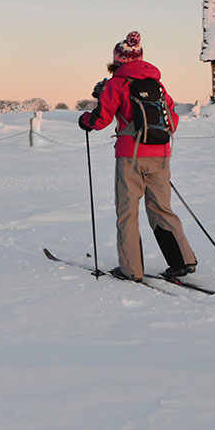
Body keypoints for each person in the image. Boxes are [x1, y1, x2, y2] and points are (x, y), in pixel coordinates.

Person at [78, 31, 197, 281]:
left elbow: (100, 120)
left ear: (117, 60)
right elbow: (172, 120)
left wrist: (85, 119)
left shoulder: (117, 84)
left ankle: (131, 269)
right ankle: (182, 260)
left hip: (130, 155)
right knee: (161, 208)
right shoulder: (158, 85)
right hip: (161, 154)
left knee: (128, 211)